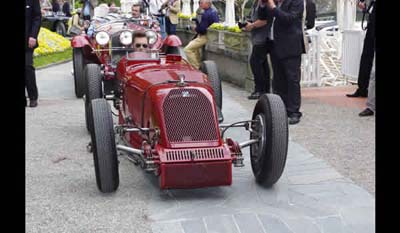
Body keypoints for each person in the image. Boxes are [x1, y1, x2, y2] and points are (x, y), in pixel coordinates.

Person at [264, 0, 305, 125]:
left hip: (290, 46)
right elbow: (264, 16)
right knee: (278, 80)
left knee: (292, 80)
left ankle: (294, 112)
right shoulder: (275, 2)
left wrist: (274, 7)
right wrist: (263, 4)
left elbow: (289, 19)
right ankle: (281, 110)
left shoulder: (296, 2)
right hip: (275, 45)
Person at [242, 0, 273, 100]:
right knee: (262, 63)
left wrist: (252, 25)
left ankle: (259, 90)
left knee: (255, 62)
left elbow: (265, 20)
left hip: (263, 38)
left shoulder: (265, 3)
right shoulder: (256, 3)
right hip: (258, 37)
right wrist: (248, 24)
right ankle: (264, 89)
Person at [346, 0, 375, 98]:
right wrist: (366, 8)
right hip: (372, 26)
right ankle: (362, 88)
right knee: (366, 57)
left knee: (368, 58)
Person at [183, 0, 219, 69]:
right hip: (210, 36)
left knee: (187, 49)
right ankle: (198, 65)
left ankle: (195, 67)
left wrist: (195, 28)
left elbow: (202, 29)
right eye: (200, 2)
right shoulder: (213, 12)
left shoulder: (206, 14)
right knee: (195, 49)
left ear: (208, 4)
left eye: (202, 3)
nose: (200, 4)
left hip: (205, 36)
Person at [25, 0, 42, 107]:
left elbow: (37, 18)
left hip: (27, 40)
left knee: (27, 67)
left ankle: (33, 97)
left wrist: (33, 36)